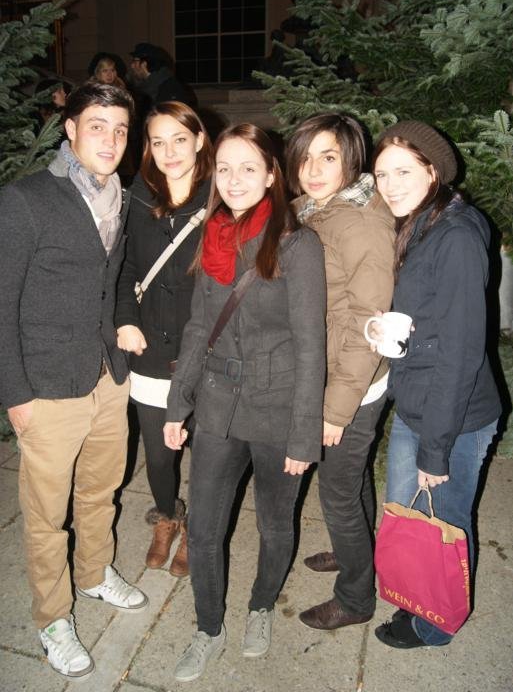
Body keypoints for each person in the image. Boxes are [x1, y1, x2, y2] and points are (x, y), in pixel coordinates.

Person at [164, 123, 327, 682]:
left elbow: (311, 346)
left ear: (272, 175)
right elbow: (199, 326)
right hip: (216, 405)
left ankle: (261, 606)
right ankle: (208, 628)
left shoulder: (298, 245)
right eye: (226, 168)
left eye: (249, 168)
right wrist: (178, 403)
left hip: (278, 409)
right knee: (203, 529)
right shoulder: (212, 235)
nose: (235, 180)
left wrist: (304, 435)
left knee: (275, 524)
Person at [0, 82, 148, 680]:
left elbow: (114, 280)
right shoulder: (26, 200)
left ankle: (93, 572)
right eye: (97, 126)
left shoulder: (123, 199)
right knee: (45, 514)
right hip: (46, 385)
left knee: (100, 489)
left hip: (107, 376)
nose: (110, 140)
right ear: (70, 129)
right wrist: (15, 394)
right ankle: (53, 618)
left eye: (120, 130)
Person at [368, 120, 501, 649]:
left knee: (445, 523)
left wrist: (436, 450)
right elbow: (431, 318)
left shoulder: (457, 236)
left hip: (454, 418)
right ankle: (415, 598)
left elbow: (461, 354)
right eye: (381, 174)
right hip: (419, 403)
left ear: (432, 171)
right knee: (410, 515)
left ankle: (436, 624)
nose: (390, 184)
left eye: (403, 171)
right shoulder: (422, 224)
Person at [285, 114, 395, 630]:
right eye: (305, 158)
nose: (313, 170)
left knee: (337, 493)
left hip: (352, 381)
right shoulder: (316, 208)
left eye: (327, 158)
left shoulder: (362, 223)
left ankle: (356, 598)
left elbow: (369, 324)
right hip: (333, 371)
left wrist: (335, 409)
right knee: (349, 482)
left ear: (350, 159)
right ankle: (359, 552)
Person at [115, 102, 214, 576]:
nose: (170, 151)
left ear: (199, 140)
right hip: (150, 347)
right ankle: (167, 515)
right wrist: (125, 319)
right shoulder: (137, 195)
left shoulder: (221, 196)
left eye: (180, 139)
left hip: (206, 349)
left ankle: (199, 528)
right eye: (158, 142)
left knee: (206, 451)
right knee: (157, 452)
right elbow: (126, 266)